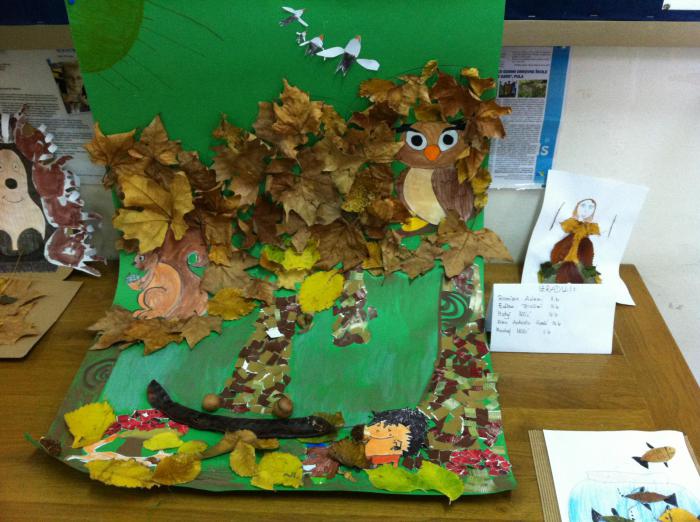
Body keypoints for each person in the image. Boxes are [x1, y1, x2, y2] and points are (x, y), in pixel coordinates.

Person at [539, 198, 602, 284]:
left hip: (581, 262)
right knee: (551, 278)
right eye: (583, 205)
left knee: (589, 281)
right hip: (563, 259)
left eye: (591, 207)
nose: (586, 210)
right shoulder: (568, 225)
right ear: (577, 207)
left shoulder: (591, 229)